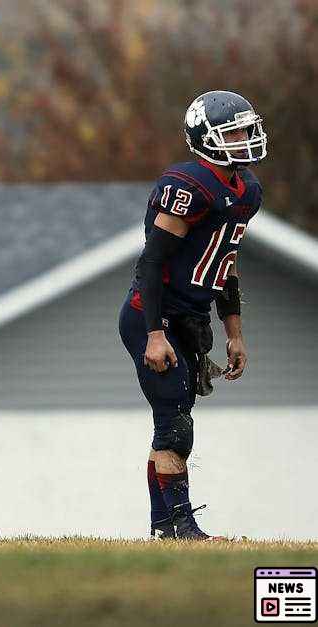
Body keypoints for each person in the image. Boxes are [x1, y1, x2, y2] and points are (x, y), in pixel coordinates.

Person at [119, 90, 266, 540]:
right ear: (207, 138)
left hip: (190, 318)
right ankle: (181, 527)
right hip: (153, 317)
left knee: (175, 417)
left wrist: (234, 334)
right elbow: (152, 261)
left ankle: (164, 526)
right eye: (235, 131)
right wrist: (154, 333)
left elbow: (227, 263)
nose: (246, 137)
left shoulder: (248, 191)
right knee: (174, 424)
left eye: (247, 128)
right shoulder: (188, 185)